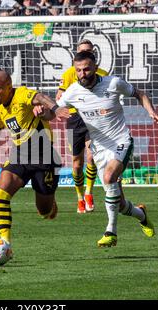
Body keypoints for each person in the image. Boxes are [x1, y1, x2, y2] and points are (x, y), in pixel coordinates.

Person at [50, 51, 158, 247]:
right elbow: (52, 112)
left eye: (86, 69)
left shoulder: (113, 83)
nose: (82, 73)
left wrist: (151, 112)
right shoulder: (73, 92)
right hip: (99, 148)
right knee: (119, 204)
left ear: (95, 67)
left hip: (121, 140)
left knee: (110, 177)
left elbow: (139, 94)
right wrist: (42, 111)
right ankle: (141, 214)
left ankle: (111, 231)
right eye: (78, 70)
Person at [0, 70, 66, 247]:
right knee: (2, 191)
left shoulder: (21, 94)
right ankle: (5, 243)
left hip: (44, 157)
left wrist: (55, 109)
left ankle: (50, 202)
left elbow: (41, 97)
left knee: (44, 211)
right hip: (19, 155)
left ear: (9, 87)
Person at [56, 39, 109, 214]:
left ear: (93, 55)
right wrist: (59, 108)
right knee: (77, 164)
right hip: (75, 118)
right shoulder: (70, 73)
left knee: (91, 156)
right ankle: (79, 197)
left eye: (89, 52)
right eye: (82, 51)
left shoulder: (102, 73)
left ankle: (88, 192)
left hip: (94, 117)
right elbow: (59, 96)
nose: (86, 53)